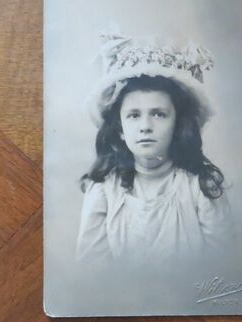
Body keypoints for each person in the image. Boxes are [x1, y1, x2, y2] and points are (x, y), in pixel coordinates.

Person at [77, 27, 231, 264]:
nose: (145, 126)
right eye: (134, 115)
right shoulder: (104, 190)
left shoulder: (201, 187)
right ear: (120, 128)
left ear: (178, 124)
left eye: (159, 114)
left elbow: (223, 265)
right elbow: (92, 271)